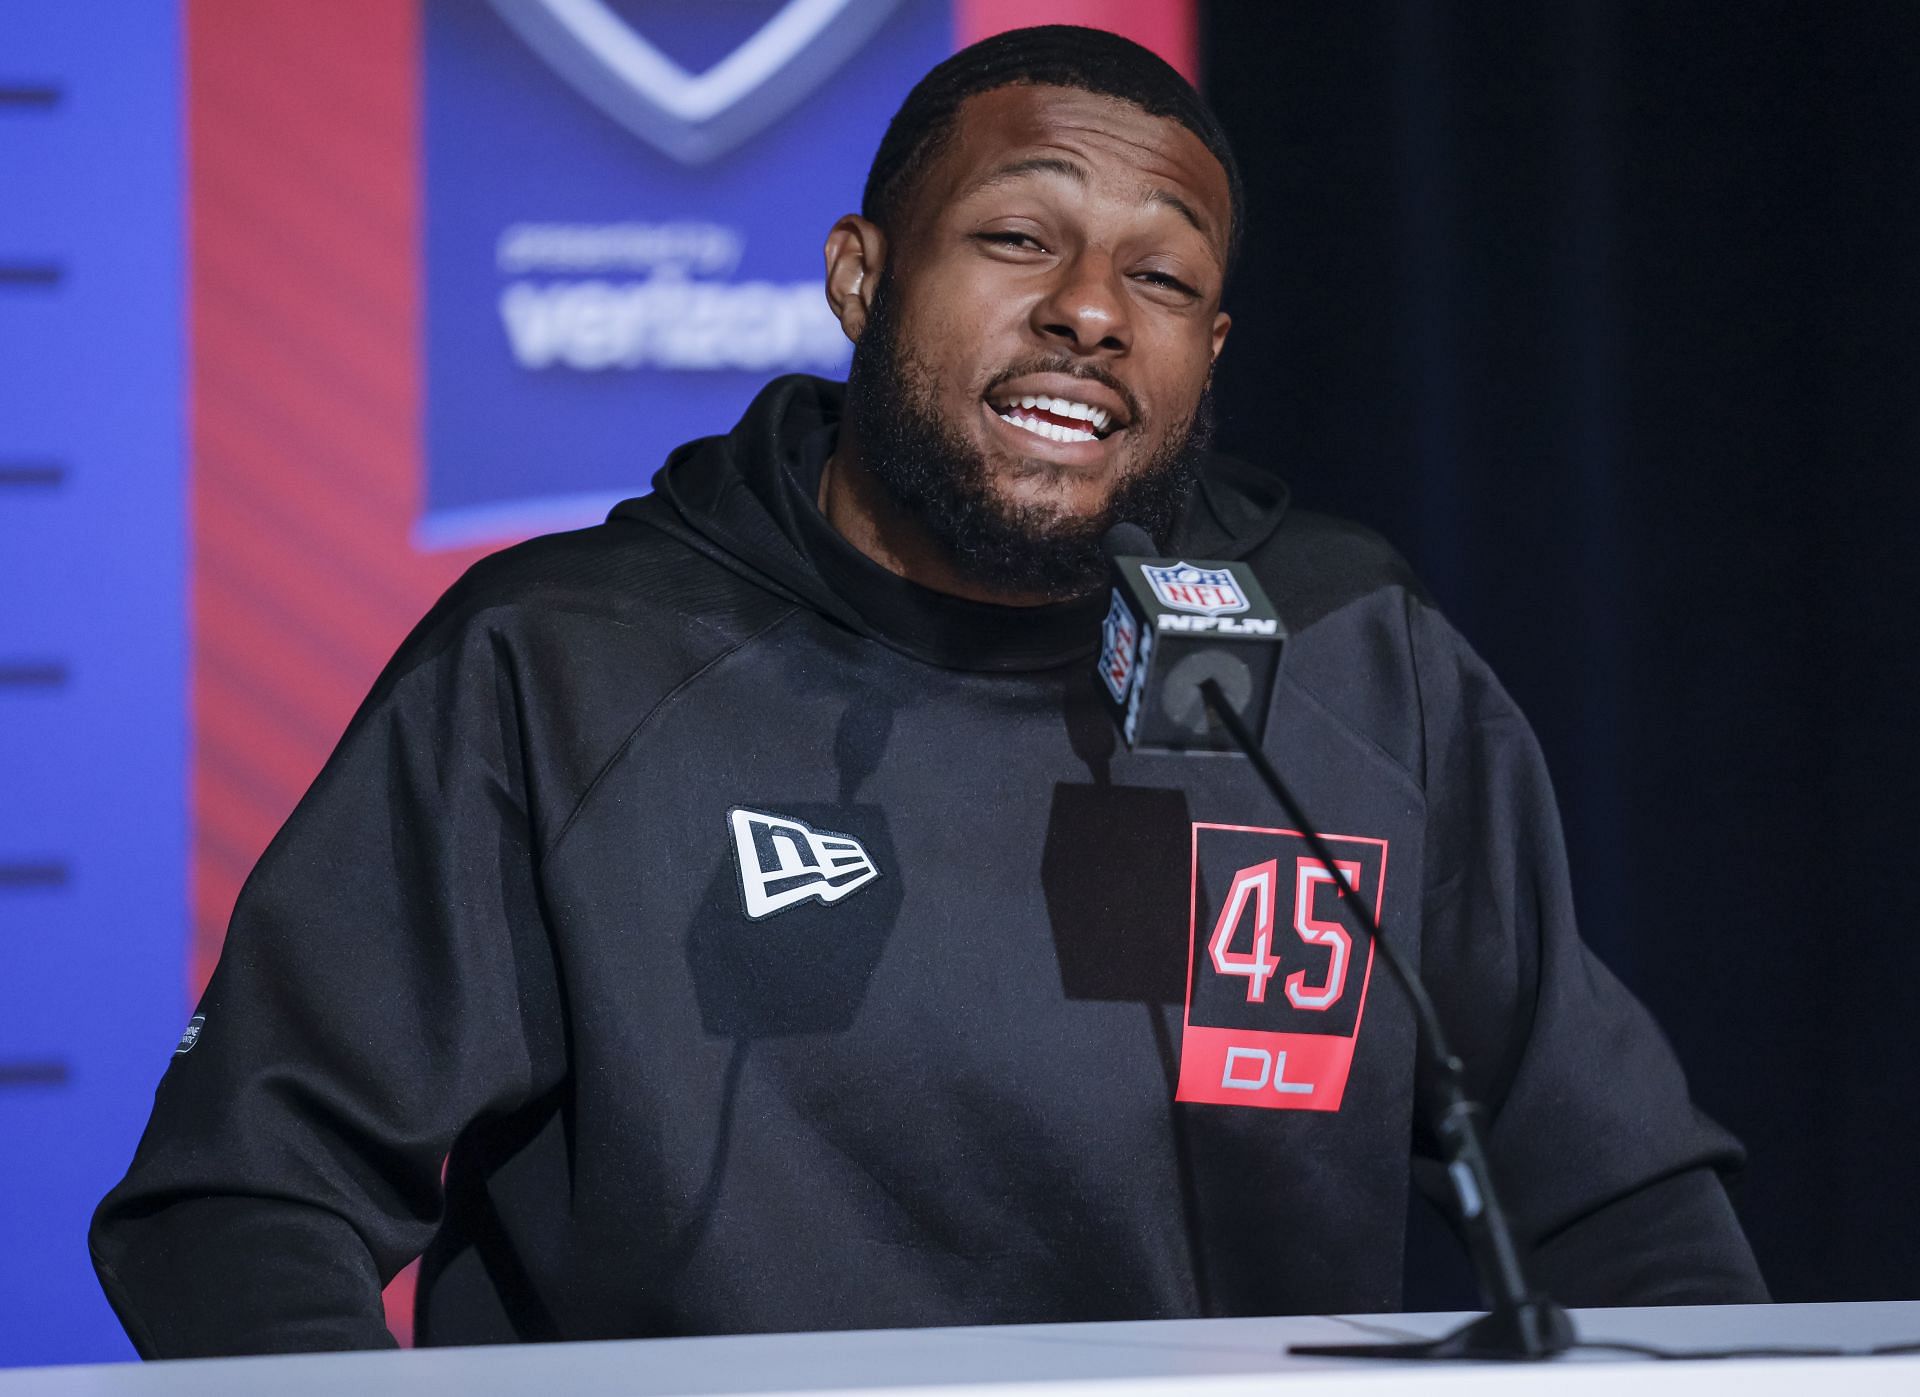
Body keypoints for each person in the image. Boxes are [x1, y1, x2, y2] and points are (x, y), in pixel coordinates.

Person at [91, 26, 1766, 1357]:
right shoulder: (564, 662)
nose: (1091, 312)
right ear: (858, 277)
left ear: (1211, 352)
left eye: (1162, 279)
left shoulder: (1346, 661)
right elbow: (244, 1201)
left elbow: (1619, 1205)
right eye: (1020, 236)